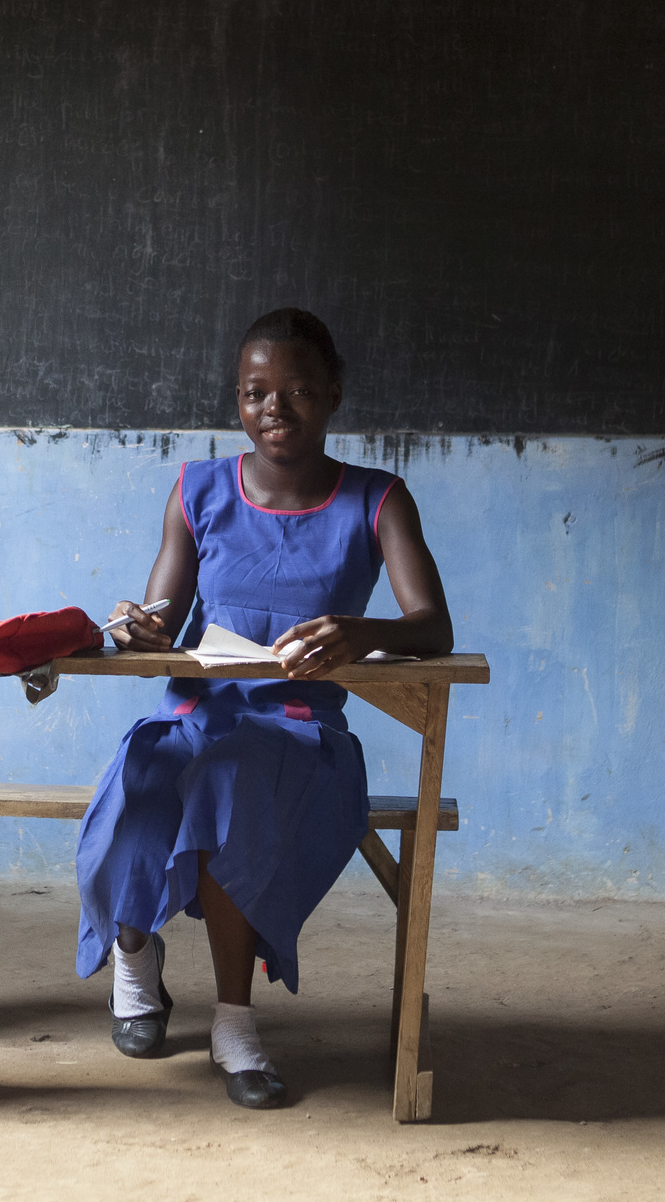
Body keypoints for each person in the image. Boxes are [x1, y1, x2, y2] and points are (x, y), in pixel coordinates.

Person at [74, 307, 454, 1109]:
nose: (274, 408)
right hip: (195, 715)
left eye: (297, 390)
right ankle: (135, 957)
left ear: (334, 395)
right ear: (237, 400)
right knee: (137, 776)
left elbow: (433, 626)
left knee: (231, 785)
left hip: (298, 731)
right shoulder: (197, 489)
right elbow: (163, 624)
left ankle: (234, 1022)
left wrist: (363, 629)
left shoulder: (377, 499)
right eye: (255, 392)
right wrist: (144, 628)